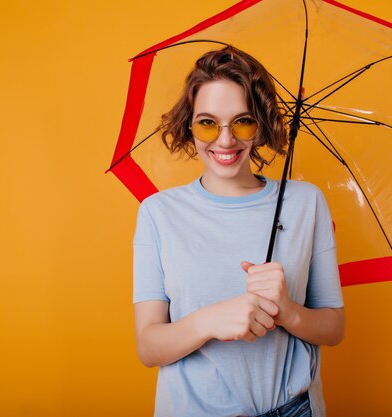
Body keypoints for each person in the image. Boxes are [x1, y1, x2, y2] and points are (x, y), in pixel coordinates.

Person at [133, 46, 344, 417]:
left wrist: (287, 312)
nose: (225, 140)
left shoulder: (305, 202)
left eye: (242, 121)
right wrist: (209, 321)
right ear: (189, 125)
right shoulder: (158, 213)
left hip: (294, 408)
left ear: (261, 125)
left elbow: (334, 328)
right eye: (207, 122)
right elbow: (149, 347)